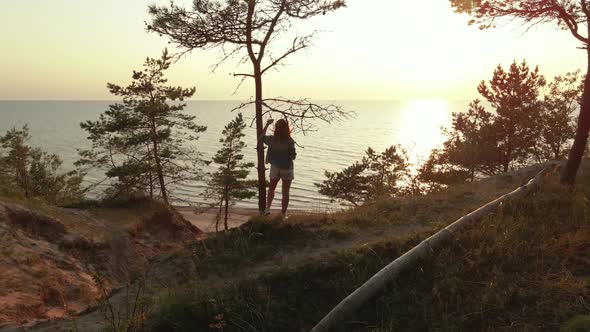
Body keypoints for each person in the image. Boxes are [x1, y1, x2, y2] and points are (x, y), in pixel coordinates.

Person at [260, 118, 296, 217]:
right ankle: (283, 214)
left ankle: (267, 209)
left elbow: (262, 137)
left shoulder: (272, 139)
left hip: (275, 168)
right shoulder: (290, 141)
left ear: (276, 128)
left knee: (272, 188)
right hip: (287, 168)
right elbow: (293, 156)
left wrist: (267, 124)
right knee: (285, 192)